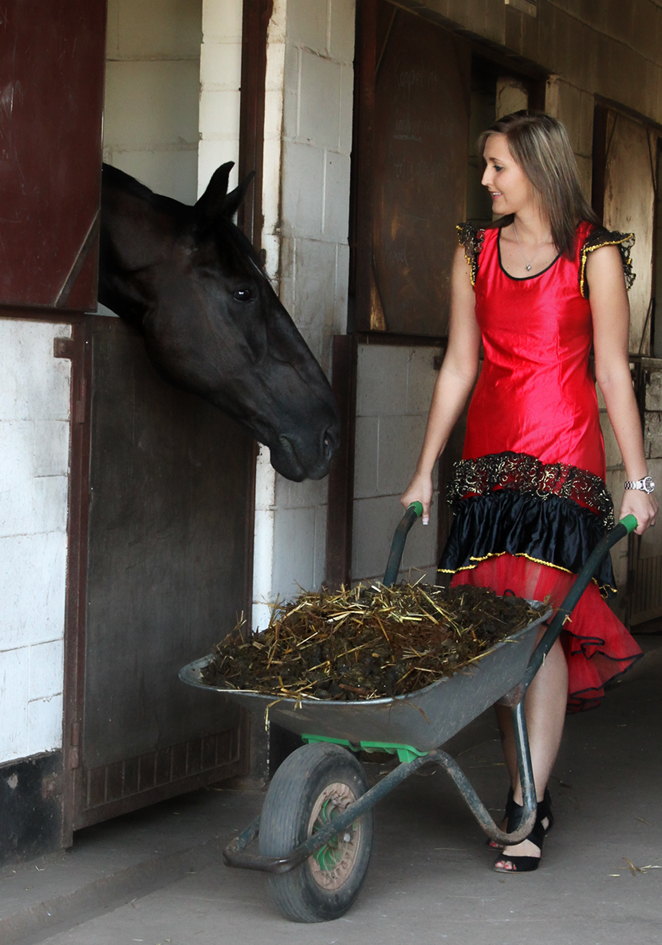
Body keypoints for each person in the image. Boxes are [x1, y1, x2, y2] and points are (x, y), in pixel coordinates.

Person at [401, 110, 658, 873]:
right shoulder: (473, 250)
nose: (484, 180)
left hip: (562, 464)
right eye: (486, 165)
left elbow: (614, 371)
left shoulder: (594, 254)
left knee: (540, 629)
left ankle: (528, 798)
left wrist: (638, 480)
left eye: (497, 166)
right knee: (501, 631)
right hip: (488, 468)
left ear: (537, 169)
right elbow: (458, 365)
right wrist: (424, 467)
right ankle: (526, 788)